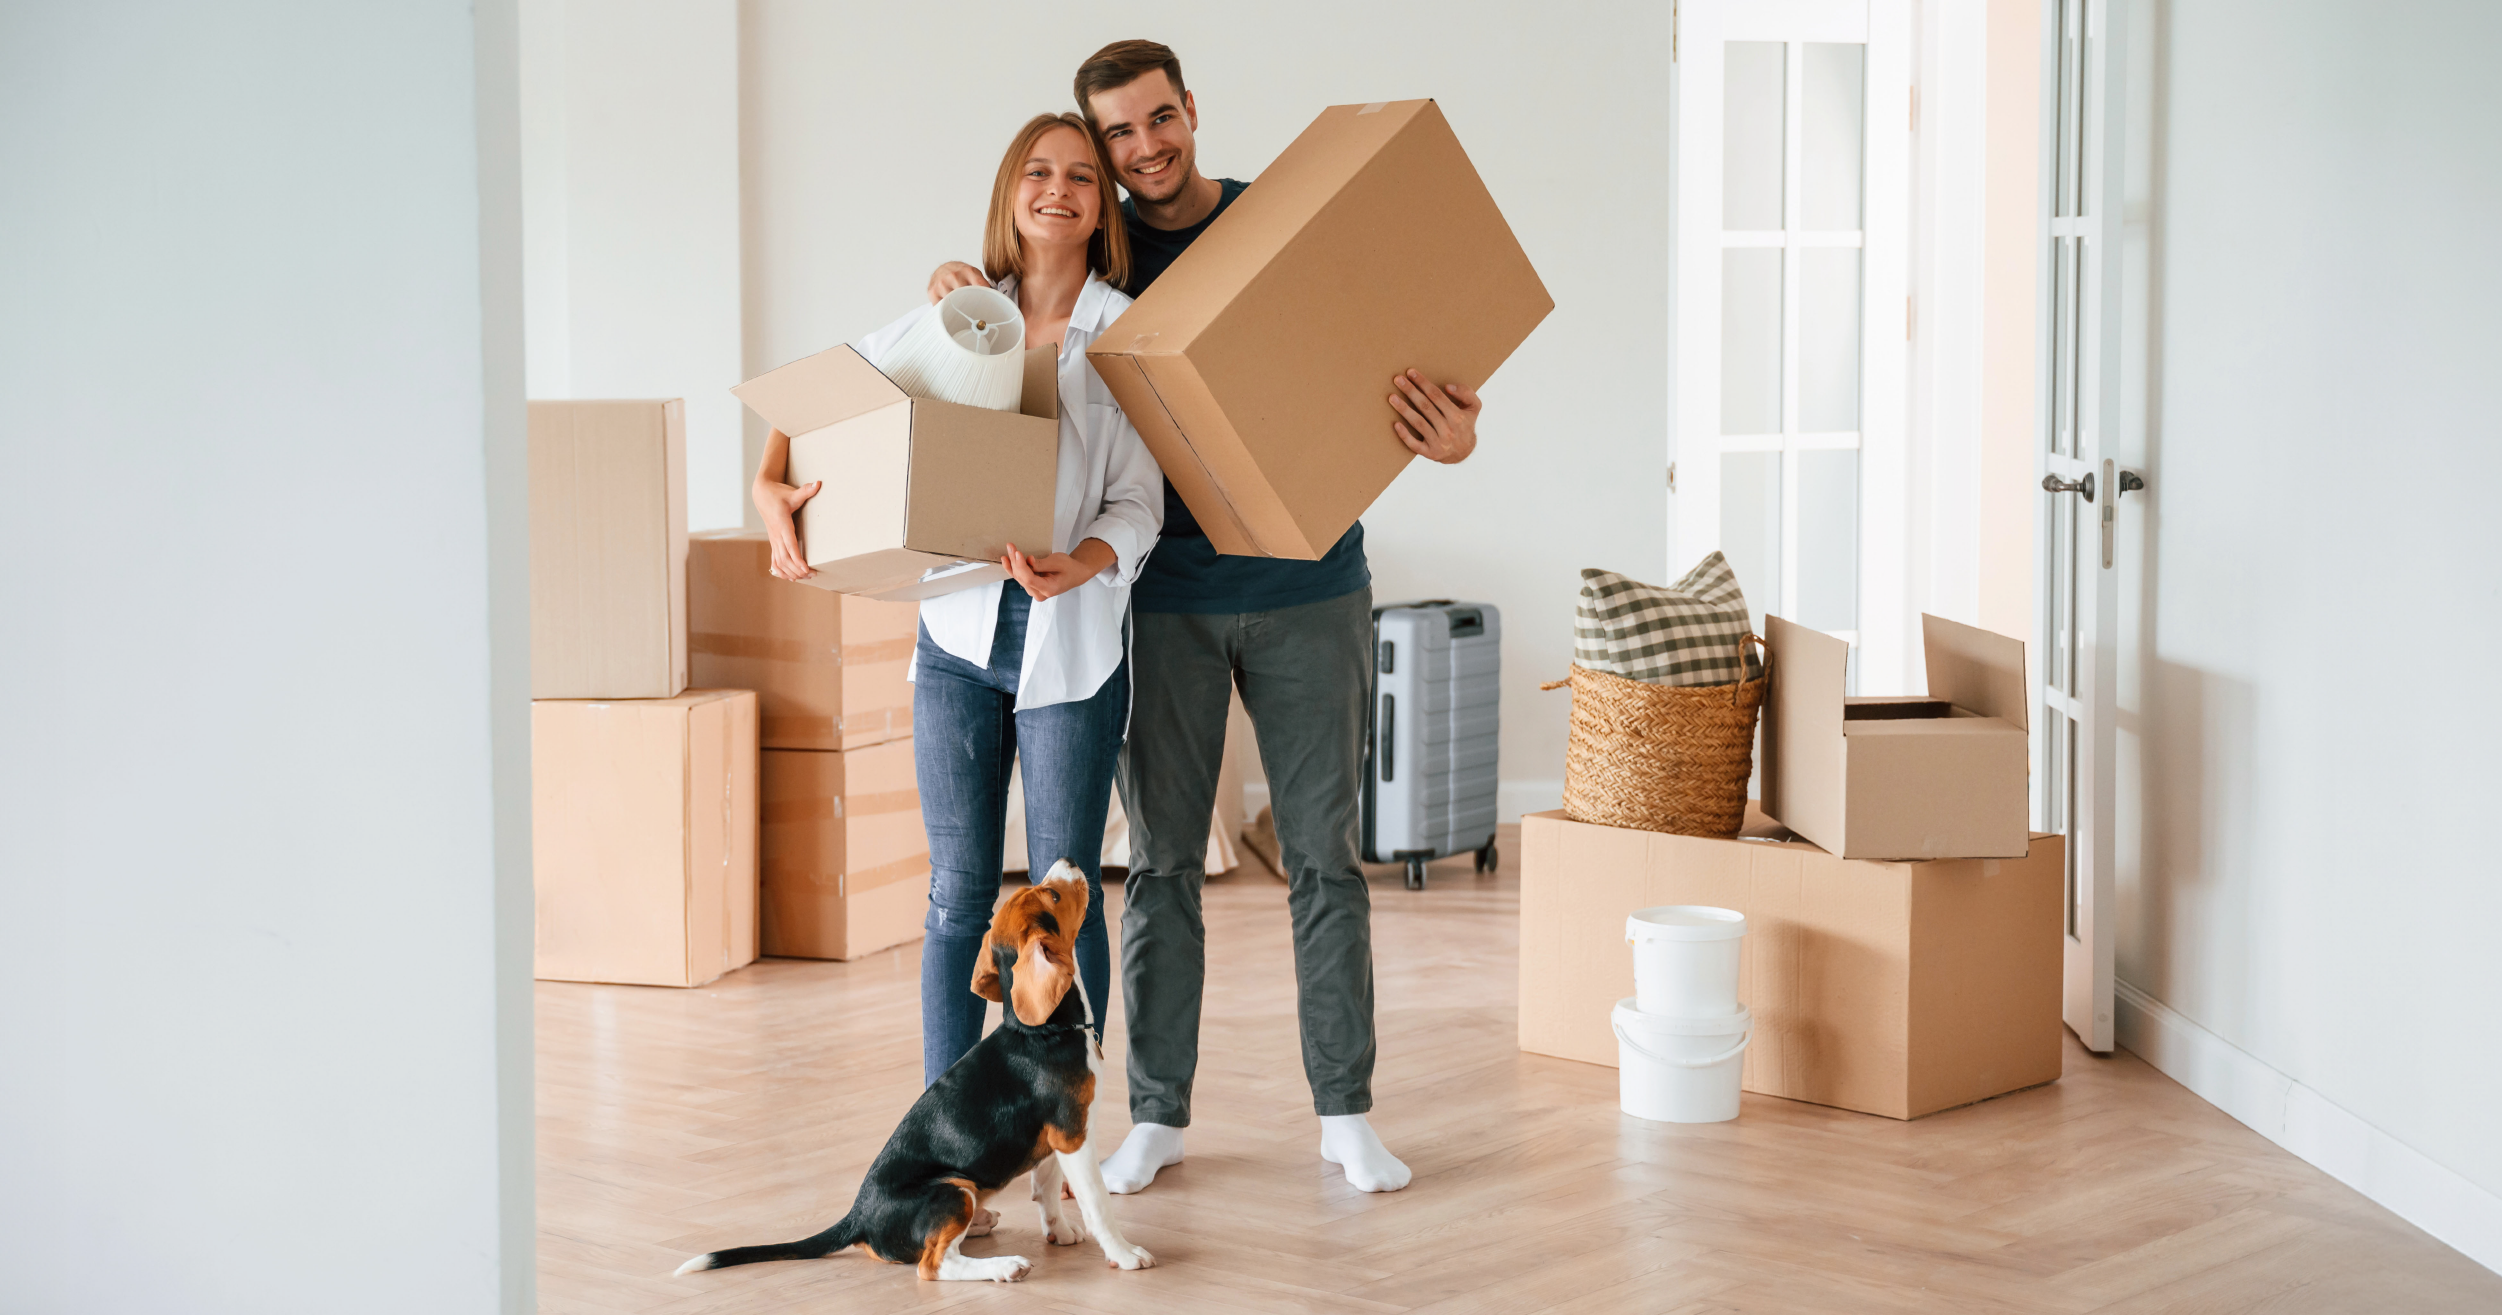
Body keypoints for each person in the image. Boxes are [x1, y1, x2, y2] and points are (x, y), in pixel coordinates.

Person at [928, 40, 1484, 1196]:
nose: (1143, 148)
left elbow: (1395, 352)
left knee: (1326, 860)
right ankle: (1162, 1115)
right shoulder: (1107, 261)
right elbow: (1011, 316)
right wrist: (957, 287)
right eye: (1117, 136)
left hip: (1310, 587)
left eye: (1157, 119)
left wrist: (1455, 428)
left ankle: (1345, 1111)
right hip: (1165, 602)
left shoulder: (1279, 226)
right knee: (1164, 868)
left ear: (1191, 110)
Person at [760, 112, 1163, 1089]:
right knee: (957, 895)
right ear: (1008, 191)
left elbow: (1140, 500)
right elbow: (817, 404)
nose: (1057, 187)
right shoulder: (959, 313)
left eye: (1079, 174)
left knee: (1066, 895)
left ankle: (1071, 1131)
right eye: (1037, 170)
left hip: (1071, 643)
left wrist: (1087, 559)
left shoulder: (1127, 336)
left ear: (1101, 203)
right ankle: (951, 1128)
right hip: (957, 642)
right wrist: (769, 487)